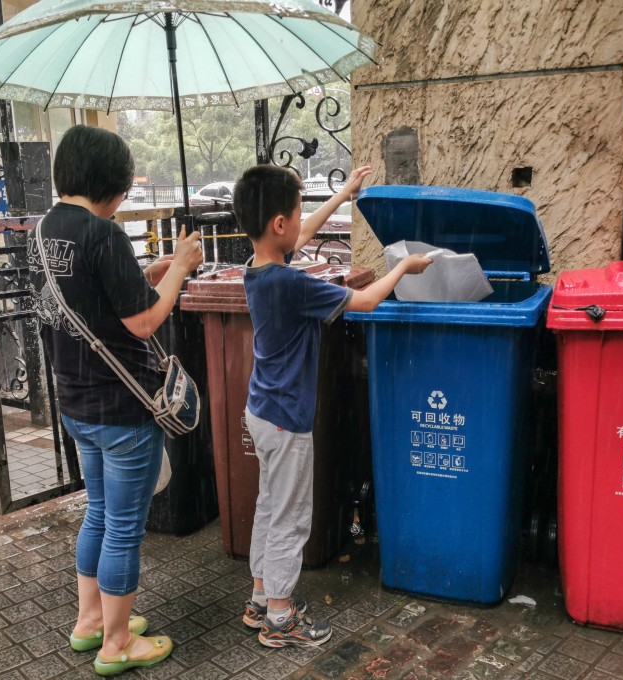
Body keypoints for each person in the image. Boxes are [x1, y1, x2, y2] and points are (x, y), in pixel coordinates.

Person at [28, 125, 203, 676]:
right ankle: (118, 643)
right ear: (112, 185)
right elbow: (146, 317)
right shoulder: (103, 234)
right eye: (125, 187)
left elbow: (95, 294)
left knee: (98, 514)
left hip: (76, 406)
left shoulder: (44, 230)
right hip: (123, 409)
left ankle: (90, 622)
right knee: (124, 526)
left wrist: (153, 272)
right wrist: (179, 266)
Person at [233, 164, 433, 647]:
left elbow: (301, 233)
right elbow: (363, 302)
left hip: (261, 411)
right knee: (290, 517)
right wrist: (402, 268)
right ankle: (280, 617)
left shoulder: (258, 268)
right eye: (297, 214)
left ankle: (261, 599)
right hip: (285, 419)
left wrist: (344, 193)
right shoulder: (293, 285)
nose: (302, 223)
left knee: (269, 508)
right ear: (279, 224)